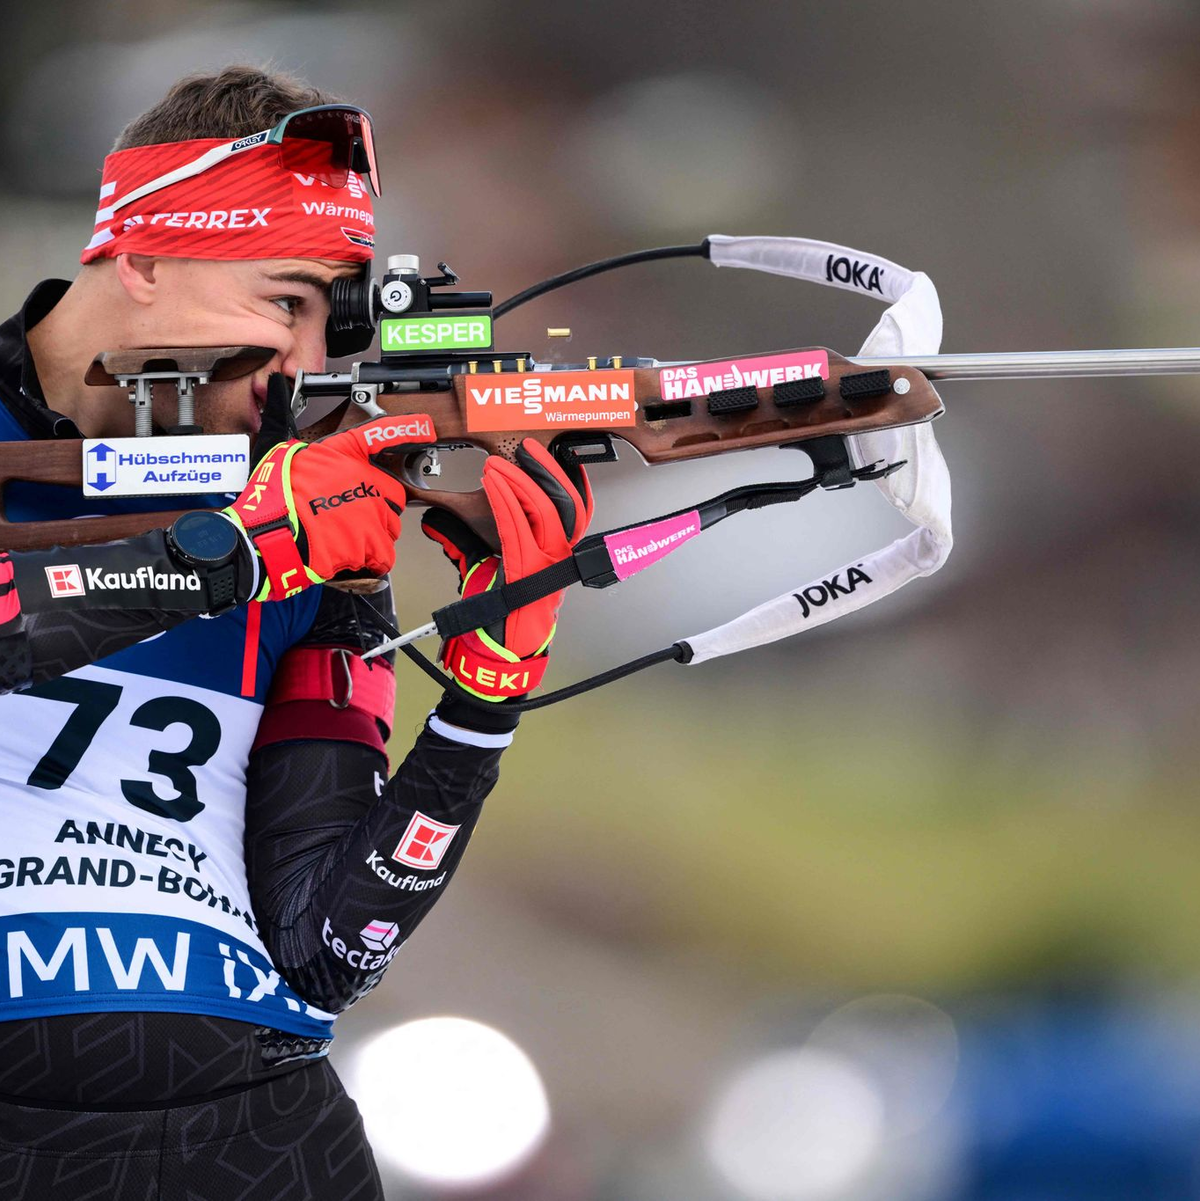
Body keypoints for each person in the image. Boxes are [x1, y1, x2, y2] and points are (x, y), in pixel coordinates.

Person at [0, 65, 592, 1198]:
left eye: (335, 317)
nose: (310, 362)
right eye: (284, 301)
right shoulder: (273, 523)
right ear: (143, 256)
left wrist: (484, 695)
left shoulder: (306, 507)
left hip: (247, 1126)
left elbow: (330, 947)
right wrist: (222, 561)